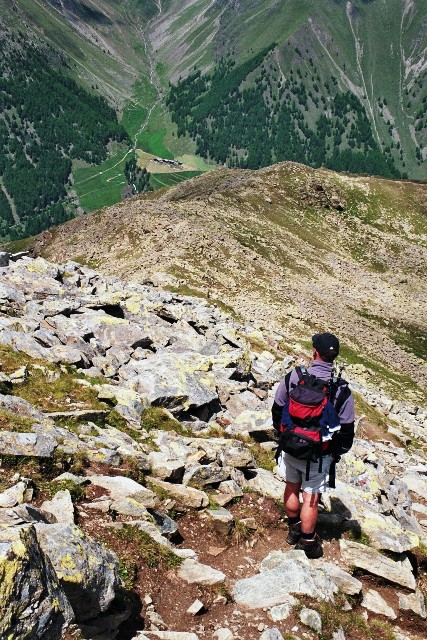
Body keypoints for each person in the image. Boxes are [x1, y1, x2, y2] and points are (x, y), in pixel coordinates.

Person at [271, 332, 355, 558]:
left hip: (291, 446)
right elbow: (347, 429)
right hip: (319, 453)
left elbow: (278, 407)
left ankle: (294, 528)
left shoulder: (295, 376)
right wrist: (337, 452)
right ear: (334, 358)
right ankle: (308, 542)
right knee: (311, 497)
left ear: (314, 353)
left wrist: (283, 434)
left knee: (291, 486)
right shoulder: (341, 390)